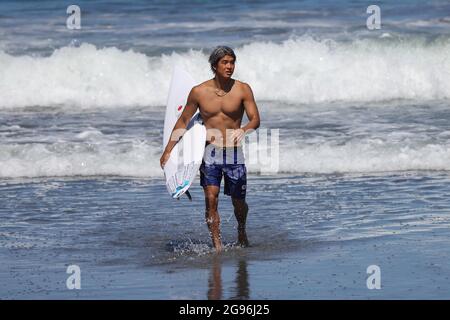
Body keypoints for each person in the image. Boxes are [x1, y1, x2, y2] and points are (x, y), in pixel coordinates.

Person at [160, 46, 260, 252]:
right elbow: (183, 121)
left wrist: (245, 129)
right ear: (214, 65)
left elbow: (255, 119)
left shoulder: (243, 89)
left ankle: (241, 229)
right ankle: (217, 245)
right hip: (209, 152)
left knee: (238, 203)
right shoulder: (199, 92)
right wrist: (169, 149)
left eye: (232, 62)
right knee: (210, 198)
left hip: (234, 153)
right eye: (225, 62)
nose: (230, 66)